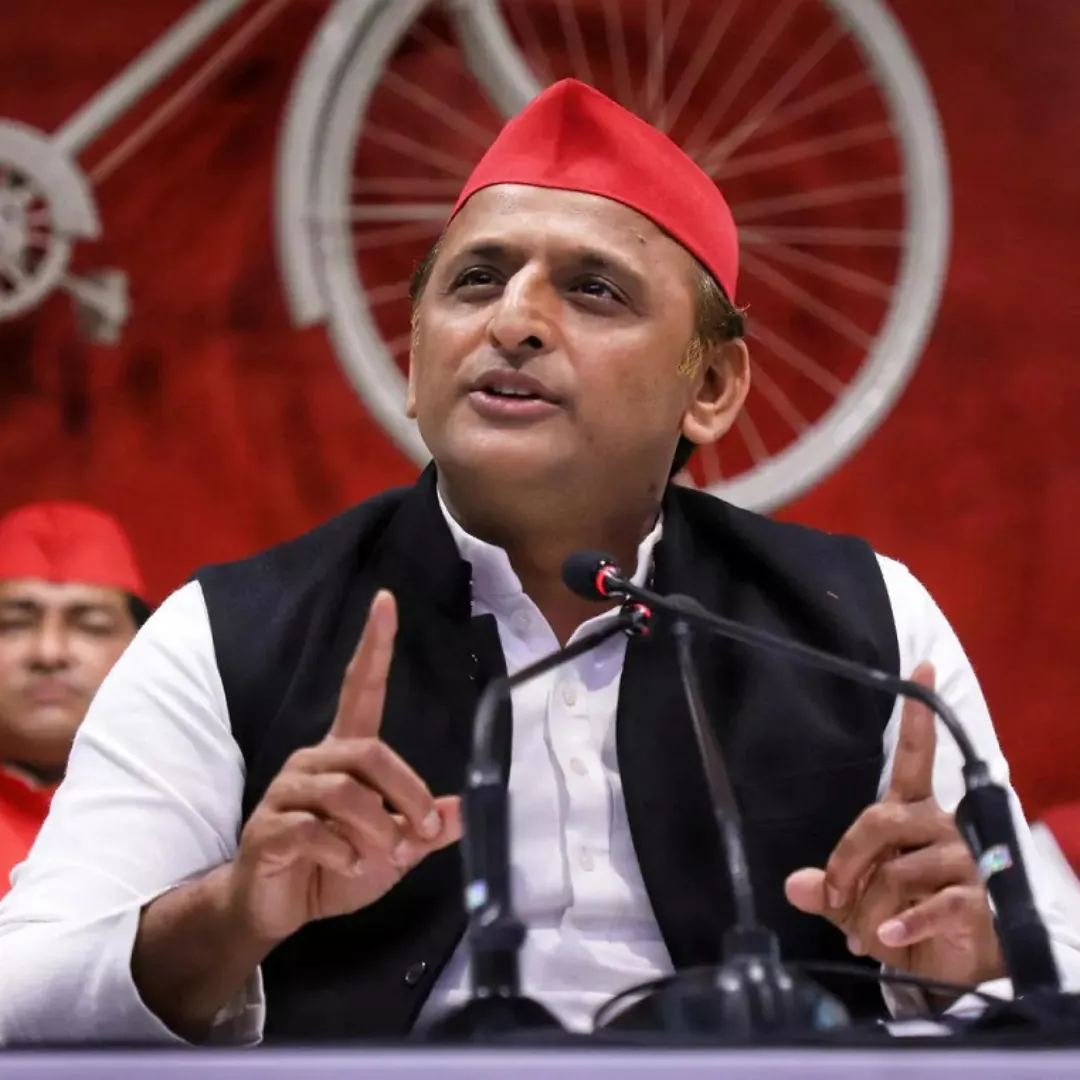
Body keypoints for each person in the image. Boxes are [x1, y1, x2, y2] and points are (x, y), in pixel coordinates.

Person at [0, 78, 1077, 1046]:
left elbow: (1054, 969)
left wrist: (967, 963)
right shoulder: (230, 632)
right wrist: (235, 912)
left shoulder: (861, 622)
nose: (513, 321)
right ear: (415, 362)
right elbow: (21, 991)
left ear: (711, 387)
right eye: (475, 281)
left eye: (594, 289)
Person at [0, 502, 150, 899]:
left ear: (144, 650)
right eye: (12, 624)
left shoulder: (198, 824)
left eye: (92, 626)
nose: (49, 652)